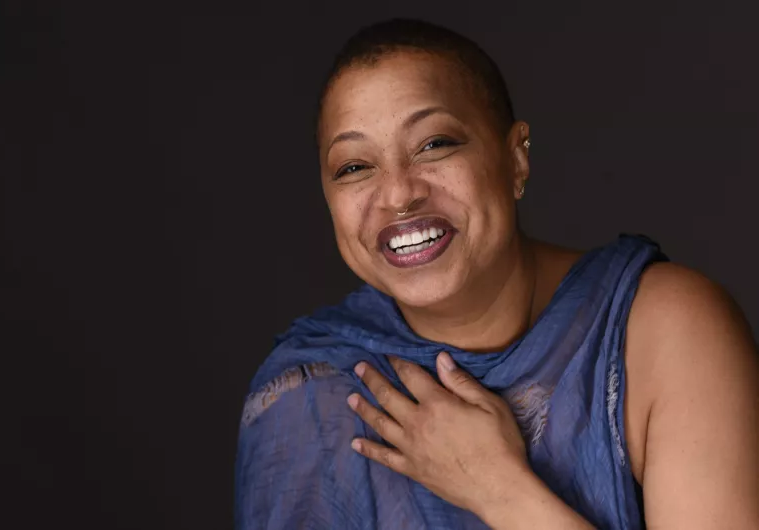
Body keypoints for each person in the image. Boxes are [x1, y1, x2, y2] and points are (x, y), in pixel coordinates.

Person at [234, 18, 759, 530]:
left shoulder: (665, 331)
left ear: (515, 159)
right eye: (354, 167)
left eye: (435, 144)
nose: (397, 193)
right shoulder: (309, 397)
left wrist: (497, 489)